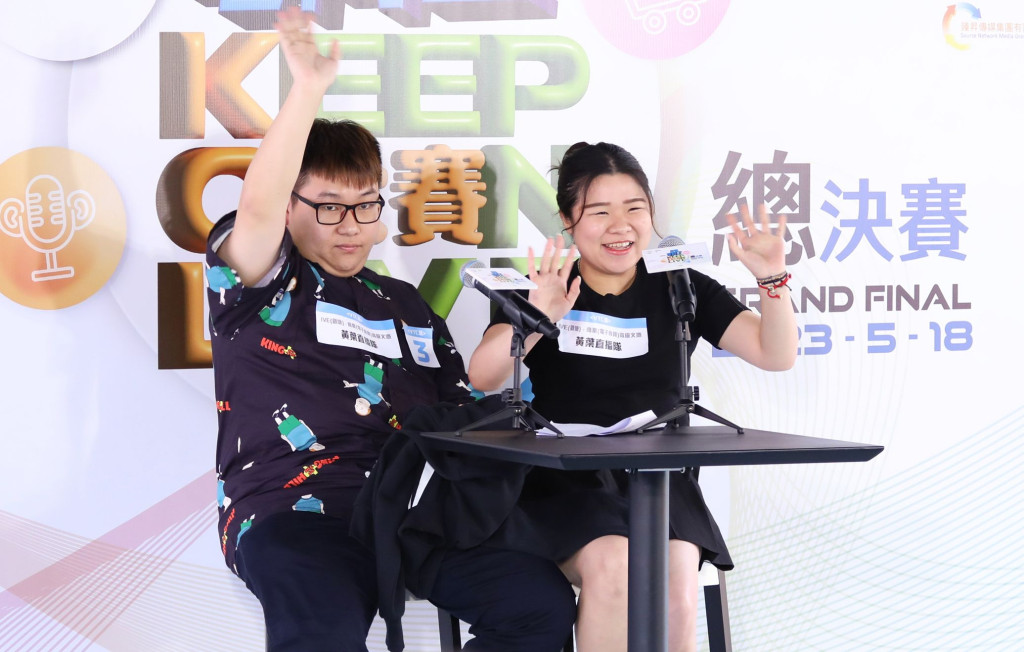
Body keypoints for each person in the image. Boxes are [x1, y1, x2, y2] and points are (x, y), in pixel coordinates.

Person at [205, 8, 478, 651]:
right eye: (329, 206)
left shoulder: (407, 305)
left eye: (365, 205)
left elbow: (463, 413)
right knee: (321, 625)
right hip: (291, 514)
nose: (351, 225)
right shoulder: (261, 281)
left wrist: (529, 331)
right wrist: (308, 90)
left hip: (409, 517)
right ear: (291, 206)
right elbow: (257, 209)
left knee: (535, 603)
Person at [466, 141, 798, 652]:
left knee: (676, 580)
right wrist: (537, 317)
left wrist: (772, 278)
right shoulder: (544, 287)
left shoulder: (680, 285)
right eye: (599, 212)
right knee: (616, 566)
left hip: (657, 479)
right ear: (568, 220)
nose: (620, 226)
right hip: (564, 481)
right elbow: (483, 375)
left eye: (634, 208)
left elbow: (775, 353)